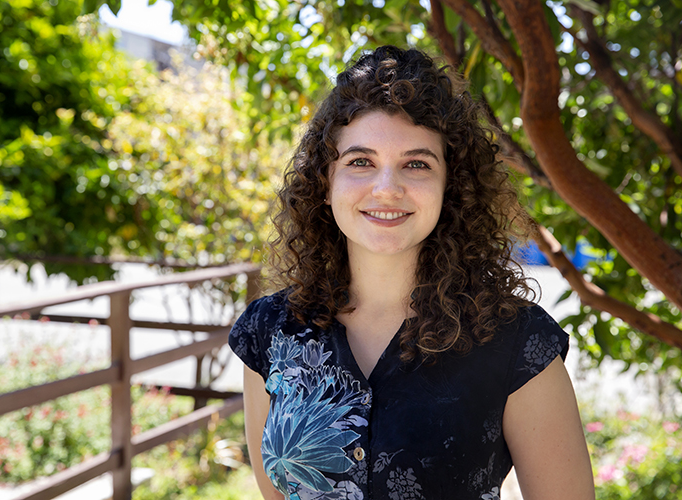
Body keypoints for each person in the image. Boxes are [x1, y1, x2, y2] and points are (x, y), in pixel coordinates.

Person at [229, 45, 594, 500]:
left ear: (450, 188)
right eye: (360, 162)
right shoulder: (270, 331)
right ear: (325, 183)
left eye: (416, 164)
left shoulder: (517, 341)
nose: (387, 189)